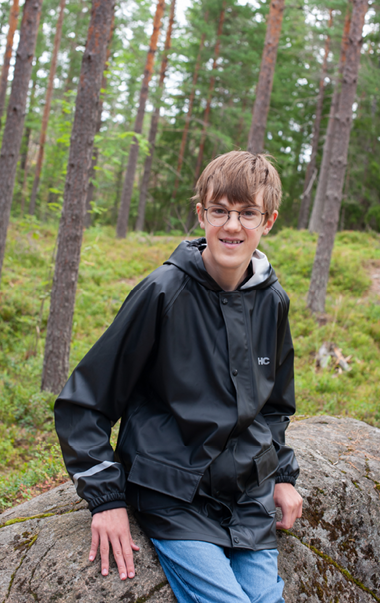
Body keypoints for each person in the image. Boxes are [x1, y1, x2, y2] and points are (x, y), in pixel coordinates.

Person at [55, 151, 302, 602]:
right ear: (201, 214)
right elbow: (85, 402)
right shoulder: (162, 292)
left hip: (247, 498)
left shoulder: (273, 300)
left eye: (248, 213)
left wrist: (282, 475)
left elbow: (274, 406)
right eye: (219, 211)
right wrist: (106, 500)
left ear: (268, 221)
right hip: (172, 495)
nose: (232, 226)